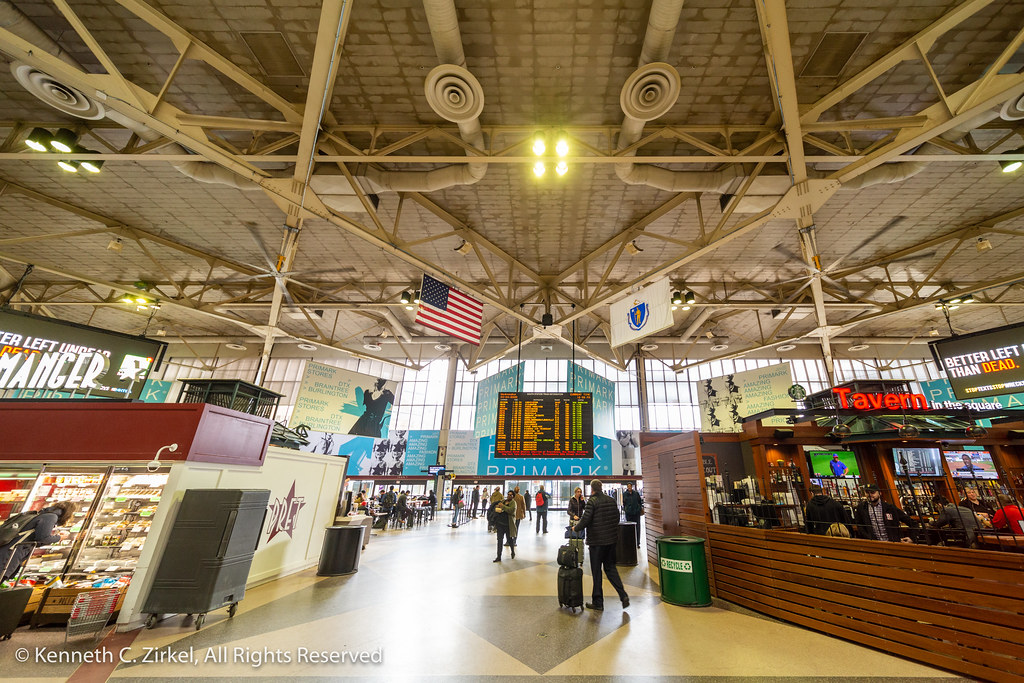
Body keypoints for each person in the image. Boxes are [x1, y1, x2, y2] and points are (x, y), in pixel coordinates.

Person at [572, 480, 629, 611]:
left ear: (592, 489)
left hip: (597, 542)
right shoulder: (610, 500)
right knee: (610, 569)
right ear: (601, 488)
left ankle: (598, 602)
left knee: (596, 571)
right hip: (610, 541)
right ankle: (623, 595)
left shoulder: (592, 501)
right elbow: (616, 518)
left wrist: (576, 528)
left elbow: (586, 519)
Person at [0, 501, 77, 580]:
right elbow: (43, 538)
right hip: (10, 554)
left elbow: (36, 540)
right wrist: (59, 538)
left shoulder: (43, 514)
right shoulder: (51, 517)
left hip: (8, 550)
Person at [489, 491, 516, 562]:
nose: (509, 496)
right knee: (499, 540)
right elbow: (497, 508)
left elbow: (511, 510)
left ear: (513, 496)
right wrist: (498, 507)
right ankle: (498, 556)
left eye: (511, 495)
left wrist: (503, 507)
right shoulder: (503, 501)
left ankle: (512, 551)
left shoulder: (513, 503)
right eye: (508, 494)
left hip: (508, 525)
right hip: (500, 524)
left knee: (509, 540)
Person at [622, 482, 644, 548]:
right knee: (629, 528)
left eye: (630, 486)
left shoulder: (636, 493)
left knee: (637, 527)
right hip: (628, 513)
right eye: (628, 486)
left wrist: (638, 508)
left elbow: (640, 502)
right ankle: (631, 542)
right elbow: (624, 503)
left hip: (636, 513)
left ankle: (637, 542)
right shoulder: (624, 494)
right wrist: (626, 509)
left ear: (632, 486)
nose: (629, 488)